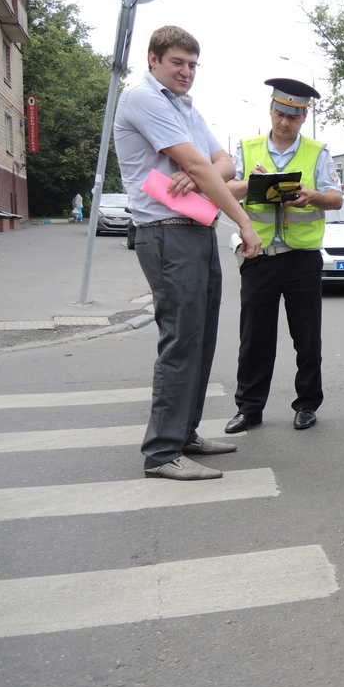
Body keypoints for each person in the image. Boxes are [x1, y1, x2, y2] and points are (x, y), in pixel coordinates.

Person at [113, 25, 261, 481]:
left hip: (194, 230)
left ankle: (185, 433)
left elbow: (224, 163)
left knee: (200, 337)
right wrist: (243, 220)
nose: (187, 72)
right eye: (178, 62)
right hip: (163, 232)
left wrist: (197, 175)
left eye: (193, 64)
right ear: (153, 59)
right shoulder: (144, 98)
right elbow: (200, 162)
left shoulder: (185, 107)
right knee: (180, 340)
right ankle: (161, 452)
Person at [223, 78, 343, 434]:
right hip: (258, 255)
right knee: (254, 338)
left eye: (294, 116)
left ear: (304, 116)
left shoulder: (318, 152)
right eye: (280, 113)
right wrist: (251, 183)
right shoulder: (246, 148)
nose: (285, 121)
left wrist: (312, 195)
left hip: (301, 258)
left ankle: (306, 405)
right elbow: (225, 189)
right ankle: (249, 408)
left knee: (307, 339)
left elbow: (336, 197)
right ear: (270, 110)